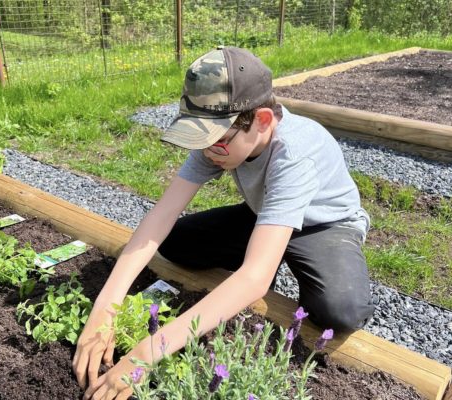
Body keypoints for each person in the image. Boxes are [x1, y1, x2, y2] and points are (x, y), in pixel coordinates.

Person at [73, 46, 375, 399]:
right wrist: (105, 308)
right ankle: (268, 248)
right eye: (201, 140)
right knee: (176, 242)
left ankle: (276, 251)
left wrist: (146, 353)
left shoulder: (295, 154)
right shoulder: (218, 141)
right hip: (265, 214)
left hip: (324, 225)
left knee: (340, 311)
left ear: (262, 120)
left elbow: (253, 281)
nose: (207, 151)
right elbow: (161, 215)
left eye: (216, 142)